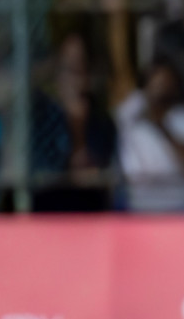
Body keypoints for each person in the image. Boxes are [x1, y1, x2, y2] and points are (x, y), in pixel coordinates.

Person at [31, 34, 119, 212]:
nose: (75, 78)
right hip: (49, 209)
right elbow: (44, 171)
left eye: (80, 68)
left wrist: (78, 124)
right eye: (69, 68)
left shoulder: (101, 120)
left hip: (90, 210)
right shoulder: (43, 116)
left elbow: (93, 172)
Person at [116, 59, 184, 213]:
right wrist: (148, 106)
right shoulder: (132, 120)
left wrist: (161, 127)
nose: (161, 87)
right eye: (156, 82)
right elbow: (125, 107)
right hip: (144, 211)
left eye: (166, 82)